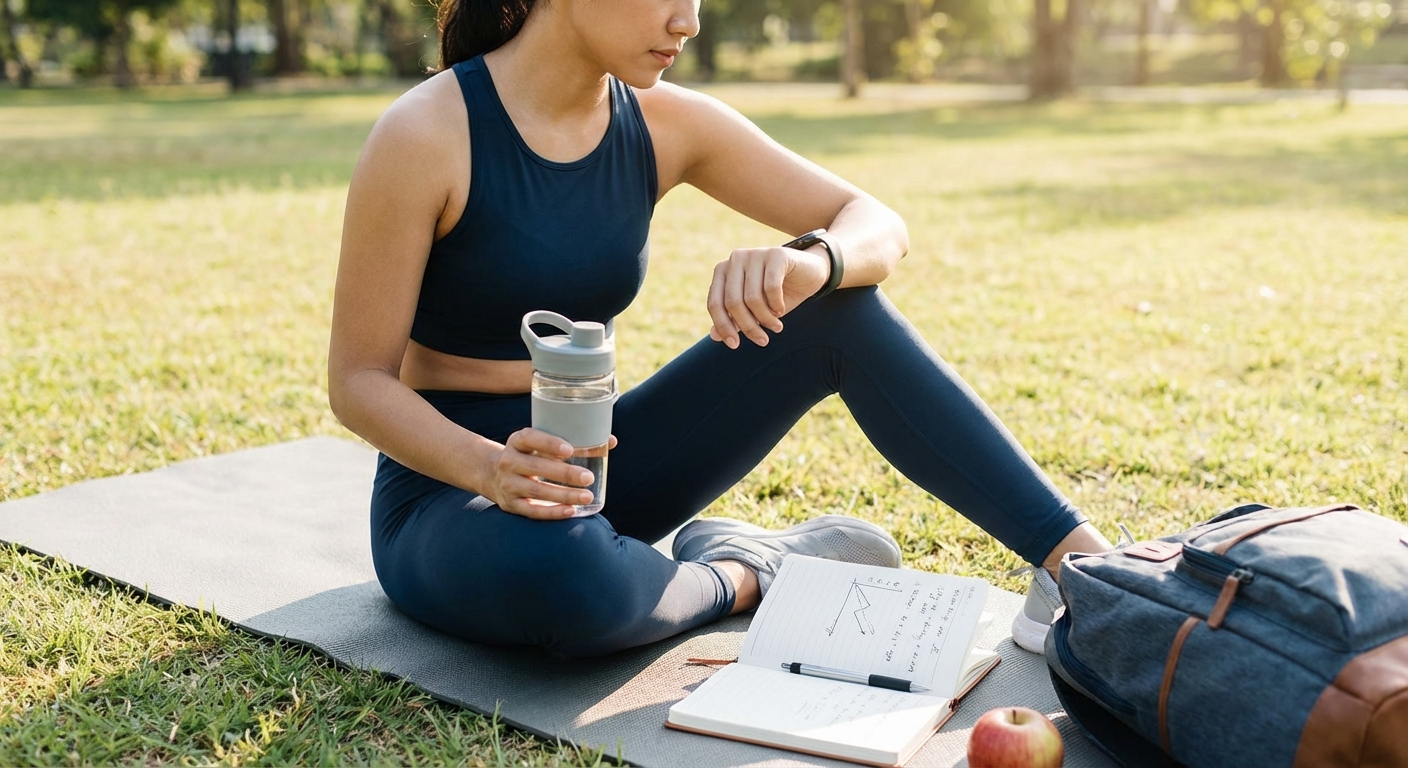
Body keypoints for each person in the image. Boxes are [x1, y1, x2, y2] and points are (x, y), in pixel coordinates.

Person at [327, 0, 1113, 659]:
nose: (690, 19)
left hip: (601, 472)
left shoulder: (669, 123)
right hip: (449, 497)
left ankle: (1085, 572)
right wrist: (494, 470)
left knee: (839, 307)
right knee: (564, 577)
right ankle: (751, 571)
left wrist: (814, 259)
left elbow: (877, 224)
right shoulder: (427, 134)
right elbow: (358, 381)